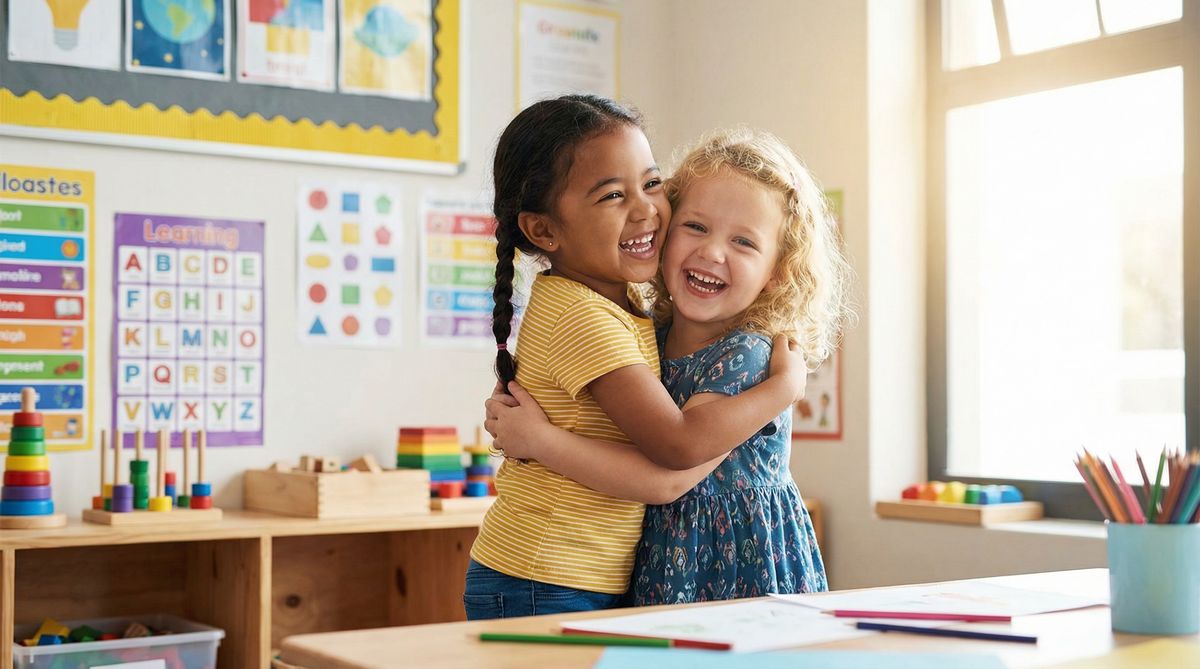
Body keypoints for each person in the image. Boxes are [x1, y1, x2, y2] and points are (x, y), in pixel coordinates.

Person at [466, 98, 806, 620]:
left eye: (651, 184)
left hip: (574, 572)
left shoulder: (625, 309)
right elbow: (677, 448)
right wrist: (783, 391)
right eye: (612, 195)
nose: (646, 209)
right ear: (543, 231)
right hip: (549, 572)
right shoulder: (587, 318)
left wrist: (540, 438)